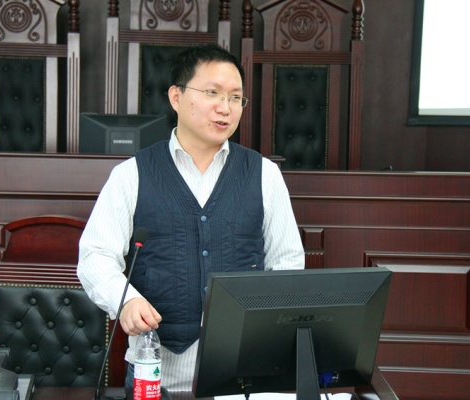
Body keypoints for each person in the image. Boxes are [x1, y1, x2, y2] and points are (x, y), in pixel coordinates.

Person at [77, 43, 305, 392]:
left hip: (245, 370)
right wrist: (126, 300)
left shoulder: (265, 175)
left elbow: (287, 263)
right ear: (176, 97)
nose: (225, 107)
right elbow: (95, 255)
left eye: (235, 97)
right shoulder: (131, 174)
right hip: (159, 372)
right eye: (212, 93)